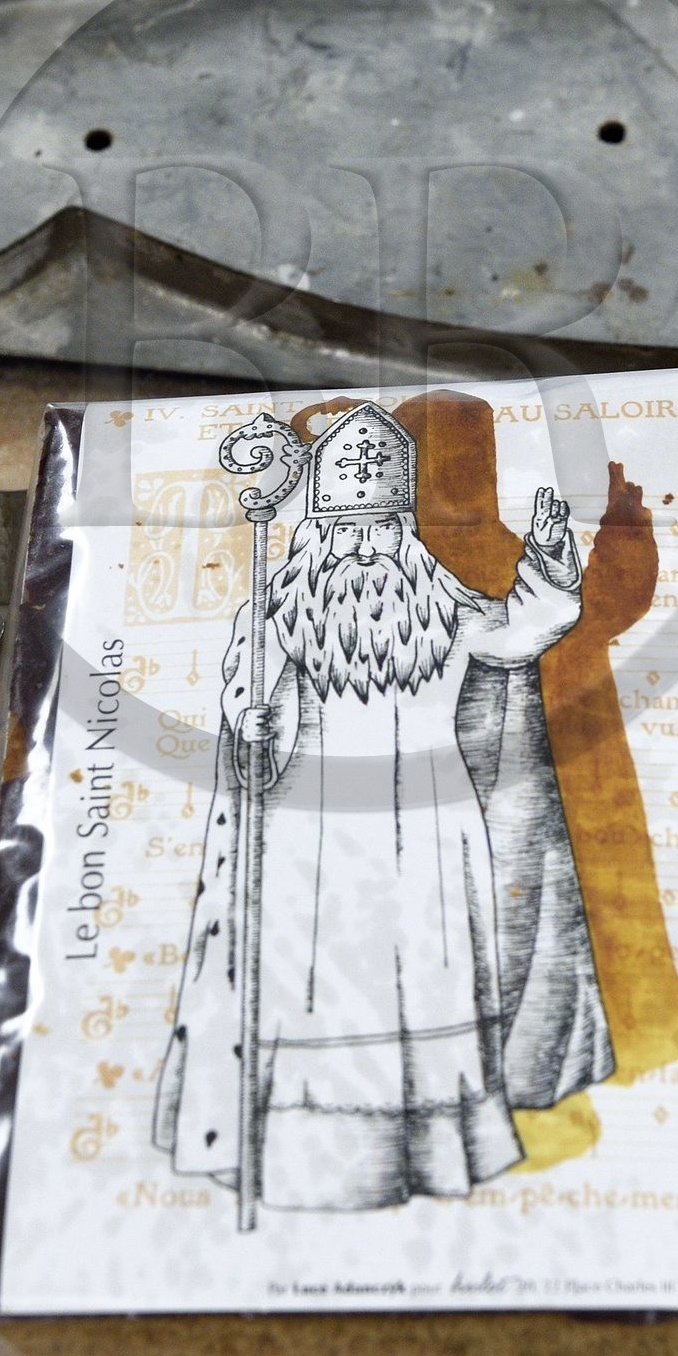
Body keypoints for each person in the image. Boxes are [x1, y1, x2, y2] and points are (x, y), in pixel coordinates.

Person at [154, 402, 613, 1215]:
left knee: (427, 977)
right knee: (314, 981)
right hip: (312, 830)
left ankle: (429, 1149)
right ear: (318, 529)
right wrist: (252, 719)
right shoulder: (276, 613)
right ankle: (300, 1149)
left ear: (405, 529)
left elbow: (524, 631)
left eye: (382, 529)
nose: (365, 548)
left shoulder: (449, 610)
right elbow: (247, 695)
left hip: (433, 833)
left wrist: (547, 558)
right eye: (347, 531)